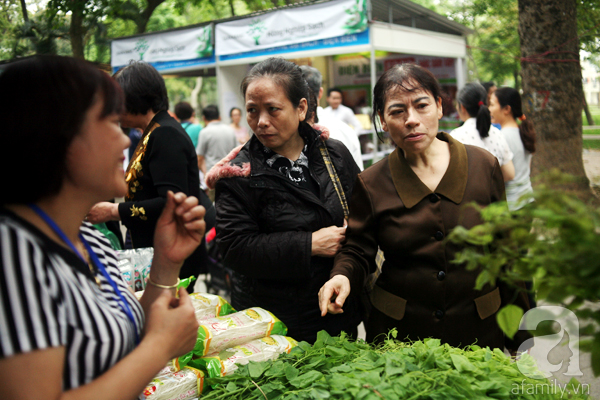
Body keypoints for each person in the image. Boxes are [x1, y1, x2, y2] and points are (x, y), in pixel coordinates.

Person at [0, 55, 204, 399]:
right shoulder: (13, 253)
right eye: (111, 122)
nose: (126, 141)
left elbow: (117, 334)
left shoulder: (92, 242)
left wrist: (167, 262)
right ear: (59, 139)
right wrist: (159, 347)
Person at [318, 63, 531, 353]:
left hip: (478, 330)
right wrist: (341, 275)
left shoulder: (483, 165)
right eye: (397, 111)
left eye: (421, 105)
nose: (412, 120)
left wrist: (523, 341)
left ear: (440, 107)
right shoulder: (371, 183)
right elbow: (358, 248)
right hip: (402, 336)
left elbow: (505, 251)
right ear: (382, 119)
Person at [206, 58, 362, 344]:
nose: (261, 121)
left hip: (338, 314)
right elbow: (234, 248)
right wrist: (309, 245)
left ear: (301, 108)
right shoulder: (238, 173)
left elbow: (363, 220)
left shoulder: (334, 155)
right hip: (272, 327)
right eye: (252, 110)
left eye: (273, 110)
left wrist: (344, 272)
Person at [87, 61, 211, 283]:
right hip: (153, 248)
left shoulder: (165, 134)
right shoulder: (153, 131)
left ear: (135, 98)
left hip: (170, 253)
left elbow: (170, 202)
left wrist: (114, 211)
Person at [300, 65, 364, 170]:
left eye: (338, 98)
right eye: (334, 98)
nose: (336, 101)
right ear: (322, 94)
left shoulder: (346, 116)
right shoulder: (345, 130)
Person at [451, 82, 516, 182]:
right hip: (494, 196)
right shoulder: (497, 134)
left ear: (462, 107)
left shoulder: (455, 136)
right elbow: (510, 174)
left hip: (468, 197)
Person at [489, 87, 536, 211]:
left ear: (506, 109)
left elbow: (501, 176)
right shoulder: (524, 132)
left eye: (492, 104)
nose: (489, 109)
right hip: (527, 200)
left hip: (512, 205)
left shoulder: (501, 136)